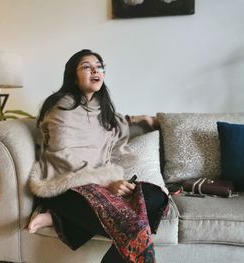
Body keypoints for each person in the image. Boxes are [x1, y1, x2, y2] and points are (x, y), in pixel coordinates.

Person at [28, 49, 168, 263]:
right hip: (64, 186)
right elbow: (64, 160)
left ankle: (59, 220)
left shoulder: (102, 112)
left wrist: (147, 121)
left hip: (97, 185)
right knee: (133, 224)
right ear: (73, 76)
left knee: (157, 197)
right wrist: (107, 183)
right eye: (86, 66)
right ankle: (59, 213)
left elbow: (122, 125)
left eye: (100, 66)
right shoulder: (60, 109)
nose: (96, 70)